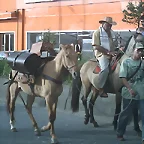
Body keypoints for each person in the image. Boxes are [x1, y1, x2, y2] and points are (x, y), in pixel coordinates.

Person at [116, 42, 144, 144]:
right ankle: (120, 133)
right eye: (138, 50)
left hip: (141, 92)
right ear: (133, 51)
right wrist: (129, 89)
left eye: (142, 51)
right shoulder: (126, 63)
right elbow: (123, 77)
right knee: (125, 114)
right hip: (129, 93)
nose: (140, 52)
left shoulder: (143, 63)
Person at [92, 16, 118, 98]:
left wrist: (119, 49)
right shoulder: (97, 33)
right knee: (105, 69)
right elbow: (96, 46)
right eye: (108, 25)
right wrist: (108, 52)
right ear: (103, 23)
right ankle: (100, 88)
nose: (110, 26)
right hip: (102, 54)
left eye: (111, 25)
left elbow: (115, 44)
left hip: (112, 53)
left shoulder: (112, 33)